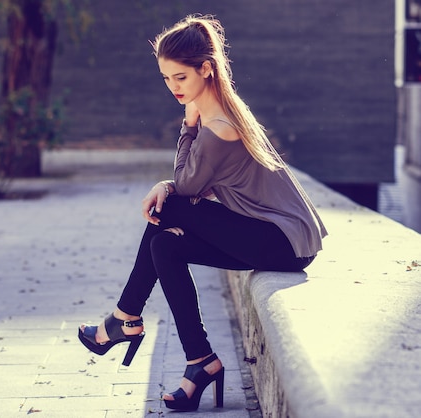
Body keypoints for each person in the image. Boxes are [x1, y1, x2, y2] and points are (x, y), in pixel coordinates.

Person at [78, 14, 327, 412]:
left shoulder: (217, 124)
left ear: (206, 69)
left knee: (170, 206)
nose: (174, 87)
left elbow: (187, 186)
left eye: (181, 78)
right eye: (166, 79)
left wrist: (185, 130)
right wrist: (170, 183)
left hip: (282, 242)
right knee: (165, 247)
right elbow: (193, 183)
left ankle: (124, 318)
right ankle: (201, 362)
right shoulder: (221, 113)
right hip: (268, 236)